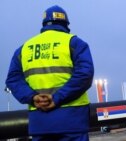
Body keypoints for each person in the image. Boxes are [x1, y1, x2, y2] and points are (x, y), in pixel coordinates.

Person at [5, 5, 94, 141]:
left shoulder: (24, 49)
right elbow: (85, 74)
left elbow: (12, 79)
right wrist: (56, 98)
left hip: (40, 122)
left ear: (44, 24)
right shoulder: (75, 43)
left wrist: (33, 98)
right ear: (66, 24)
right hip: (72, 120)